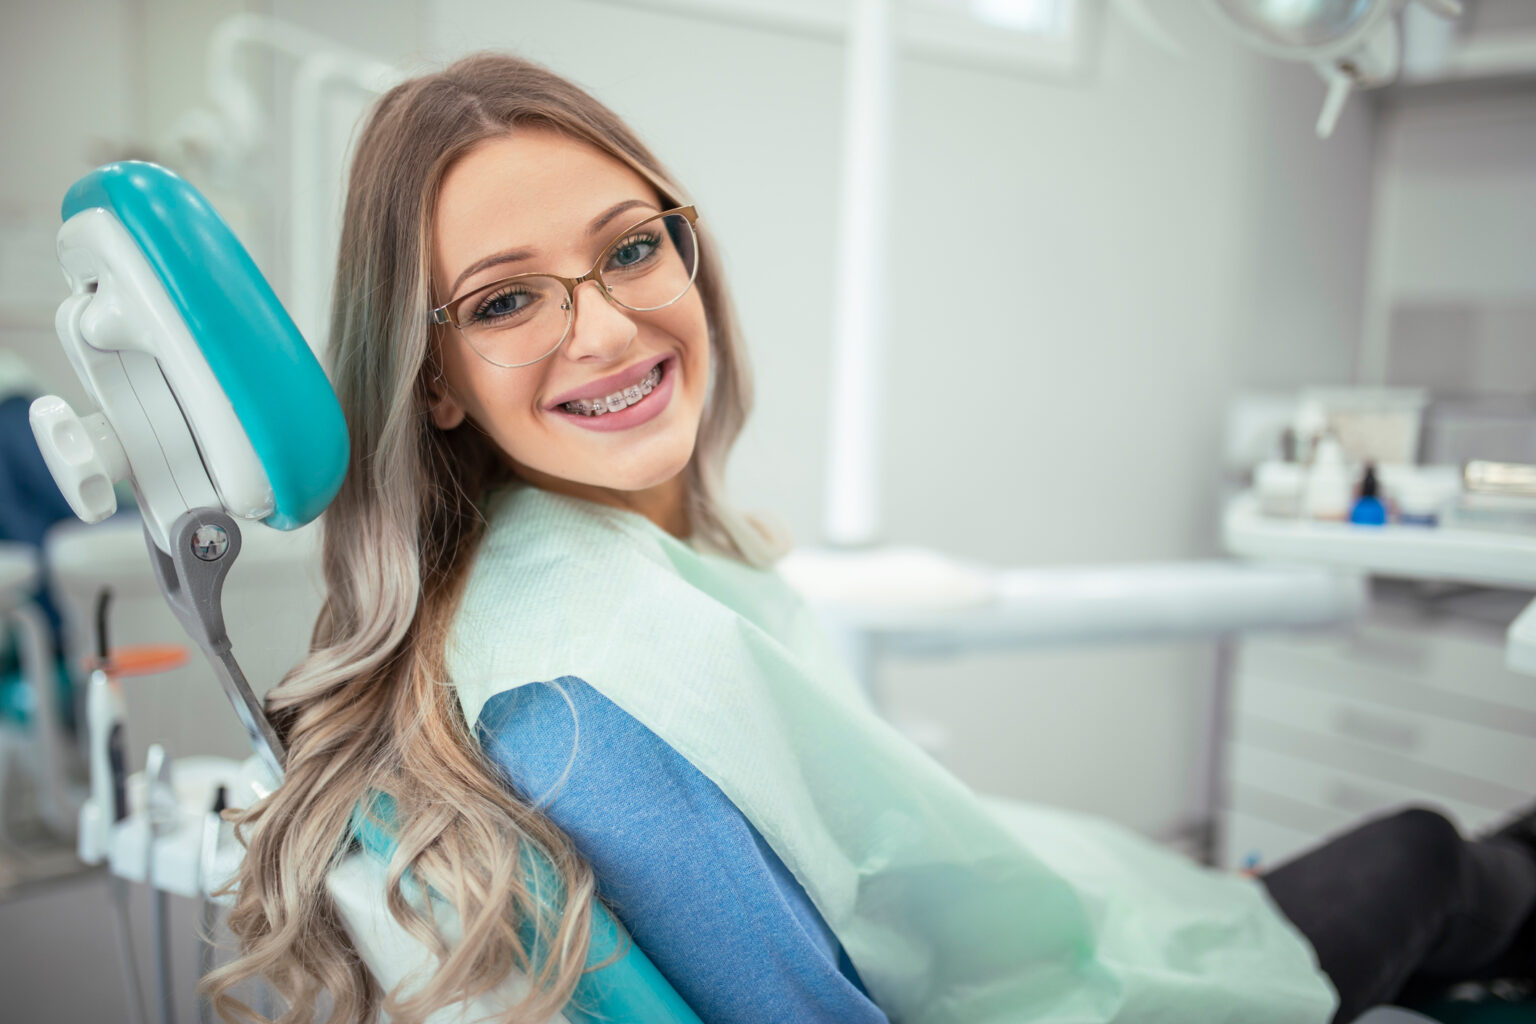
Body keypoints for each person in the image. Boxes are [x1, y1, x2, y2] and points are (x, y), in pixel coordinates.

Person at [205, 52, 1536, 1024]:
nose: (606, 329)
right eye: (504, 302)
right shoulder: (573, 705)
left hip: (1055, 929)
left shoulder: (556, 579)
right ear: (426, 380)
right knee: (1424, 850)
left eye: (629, 251)